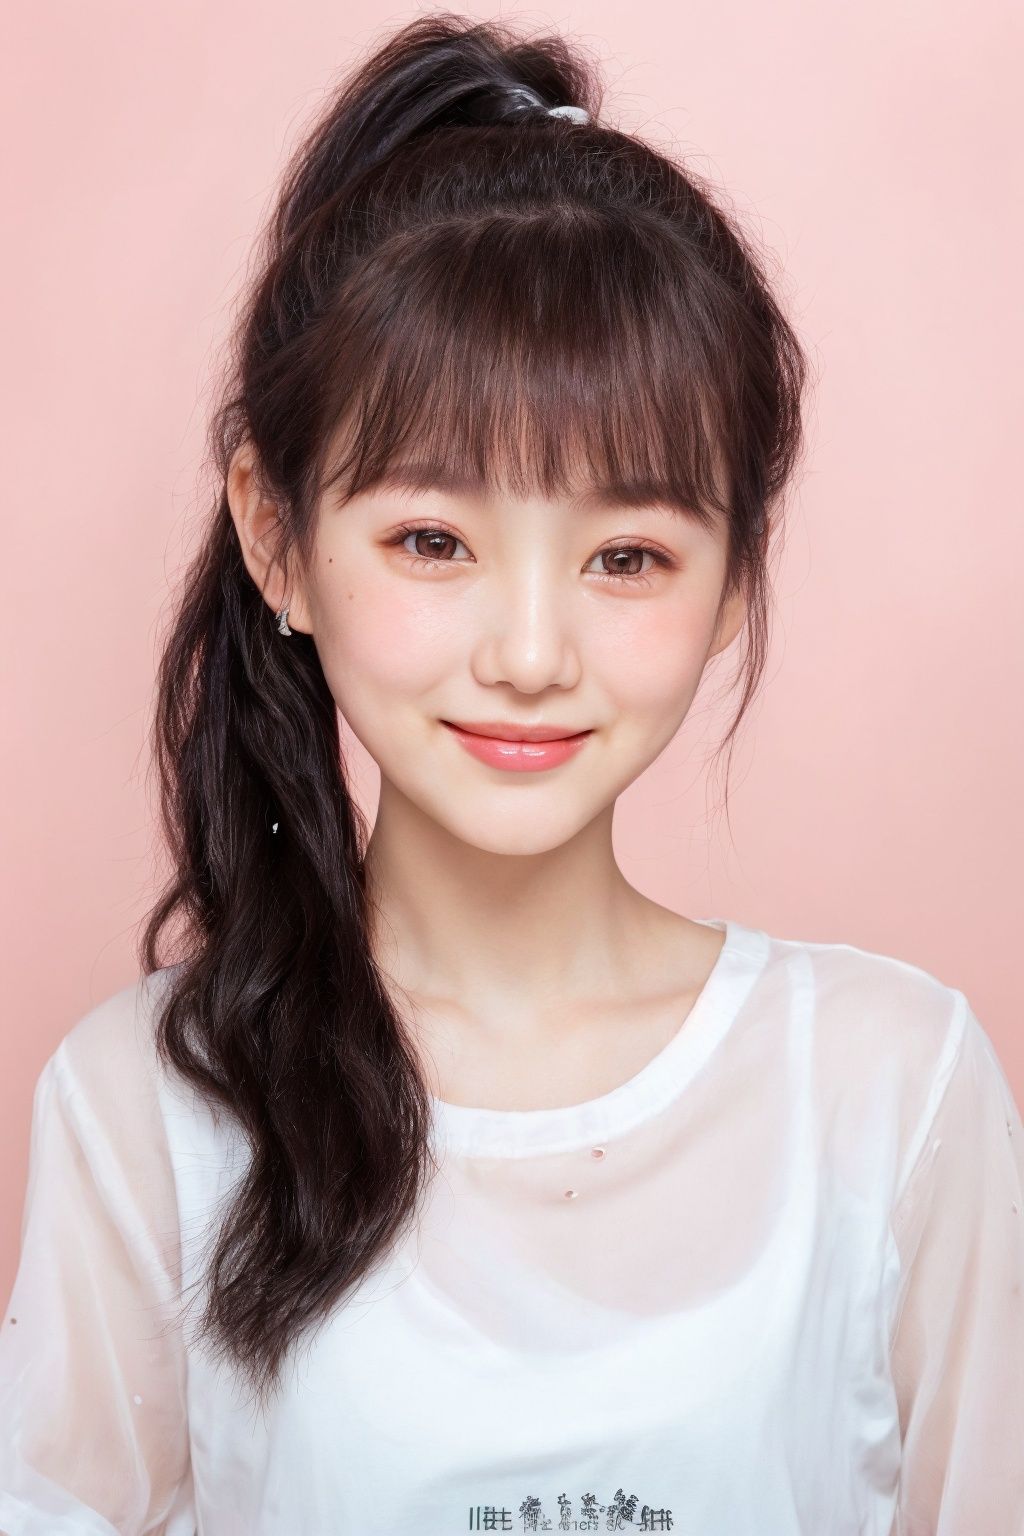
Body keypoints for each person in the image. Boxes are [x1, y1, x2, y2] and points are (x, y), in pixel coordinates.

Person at [2, 11, 1022, 1536]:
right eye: (434, 541)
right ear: (277, 540)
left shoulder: (894, 1087)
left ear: (737, 576)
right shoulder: (147, 1106)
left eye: (627, 555)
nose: (531, 652)